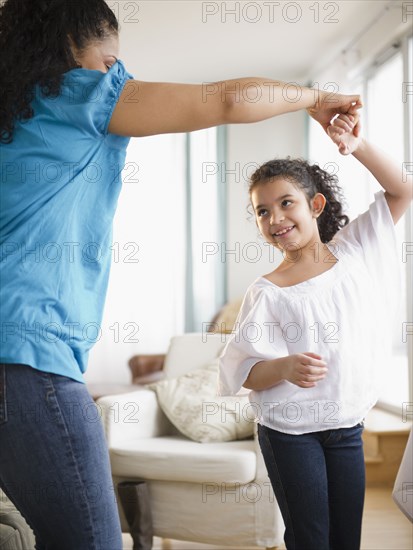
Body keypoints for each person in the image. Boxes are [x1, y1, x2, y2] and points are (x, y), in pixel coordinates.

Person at [0, 0, 364, 548]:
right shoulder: (78, 94)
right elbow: (226, 99)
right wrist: (315, 98)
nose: (115, 73)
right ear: (77, 48)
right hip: (28, 359)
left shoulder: (16, 118)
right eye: (110, 60)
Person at [218, 110, 412, 549]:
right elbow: (242, 372)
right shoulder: (267, 292)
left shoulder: (356, 248)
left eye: (286, 202)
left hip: (346, 425)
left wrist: (356, 145)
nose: (276, 218)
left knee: (347, 539)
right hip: (290, 431)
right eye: (262, 211)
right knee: (311, 539)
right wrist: (284, 366)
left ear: (315, 205)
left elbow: (404, 189)